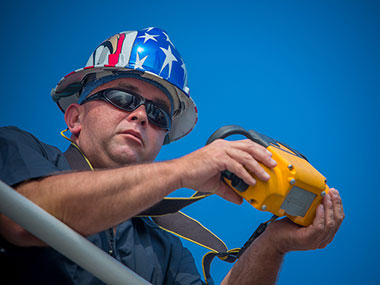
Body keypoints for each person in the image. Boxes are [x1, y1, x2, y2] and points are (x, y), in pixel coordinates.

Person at [0, 27, 344, 284]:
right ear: (75, 117)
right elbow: (24, 218)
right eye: (122, 97)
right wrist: (183, 170)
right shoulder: (16, 149)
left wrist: (274, 244)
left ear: (162, 137)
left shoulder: (164, 253)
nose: (140, 115)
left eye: (158, 113)